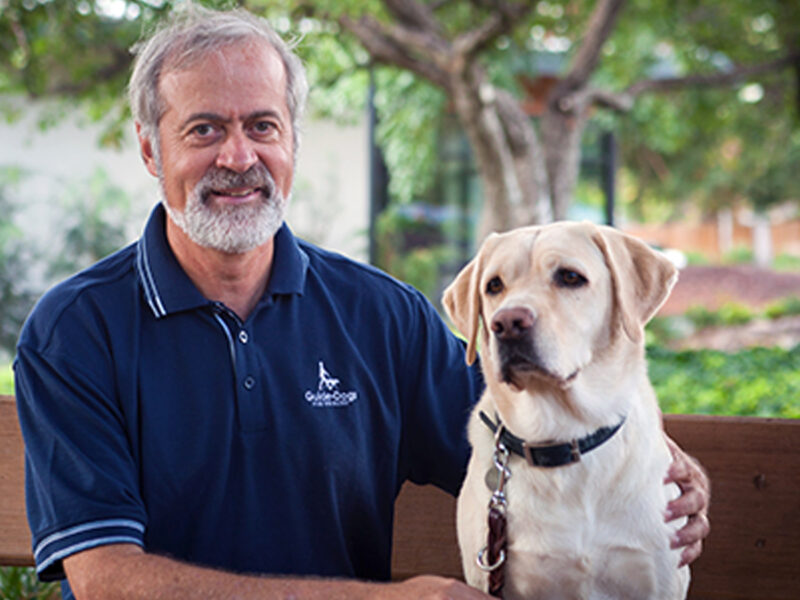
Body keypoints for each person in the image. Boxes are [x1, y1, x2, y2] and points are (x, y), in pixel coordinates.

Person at [13, 4, 709, 599]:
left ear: (292, 142)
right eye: (203, 130)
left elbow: (522, 417)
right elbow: (106, 578)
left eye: (262, 125)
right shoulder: (76, 331)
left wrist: (657, 466)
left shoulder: (381, 316)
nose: (237, 156)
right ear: (149, 148)